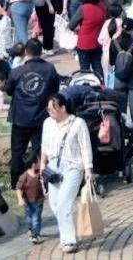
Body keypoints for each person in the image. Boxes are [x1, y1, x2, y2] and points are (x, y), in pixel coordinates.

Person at [39, 91, 93, 253]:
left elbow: (85, 147)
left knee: (63, 203)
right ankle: (71, 228)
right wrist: (42, 164)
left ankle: (69, 240)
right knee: (55, 205)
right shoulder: (47, 123)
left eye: (52, 109)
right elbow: (44, 145)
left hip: (73, 166)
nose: (50, 112)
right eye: (48, 109)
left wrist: (88, 169)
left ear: (62, 108)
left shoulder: (78, 123)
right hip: (53, 167)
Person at [6, 38, 60, 182]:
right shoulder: (50, 69)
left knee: (17, 153)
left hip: (20, 118)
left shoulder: (17, 71)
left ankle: (16, 182)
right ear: (41, 52)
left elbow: (9, 90)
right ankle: (42, 180)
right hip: (41, 118)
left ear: (25, 51)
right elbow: (55, 90)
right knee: (41, 151)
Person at [108, 16, 133, 129]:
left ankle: (122, 133)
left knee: (121, 110)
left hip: (119, 79)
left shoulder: (114, 43)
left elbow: (112, 62)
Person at [14, 144, 46, 246]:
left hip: (39, 200)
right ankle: (31, 228)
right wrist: (20, 199)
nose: (40, 162)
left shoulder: (40, 173)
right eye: (38, 161)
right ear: (33, 164)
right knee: (28, 218)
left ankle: (35, 235)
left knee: (36, 218)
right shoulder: (24, 176)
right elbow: (18, 188)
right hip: (28, 202)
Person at [73, 0, 107, 78]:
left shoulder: (83, 8)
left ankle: (86, 84)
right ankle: (101, 84)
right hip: (98, 42)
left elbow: (71, 25)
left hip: (83, 43)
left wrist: (77, 28)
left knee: (84, 68)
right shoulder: (102, 7)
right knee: (97, 66)